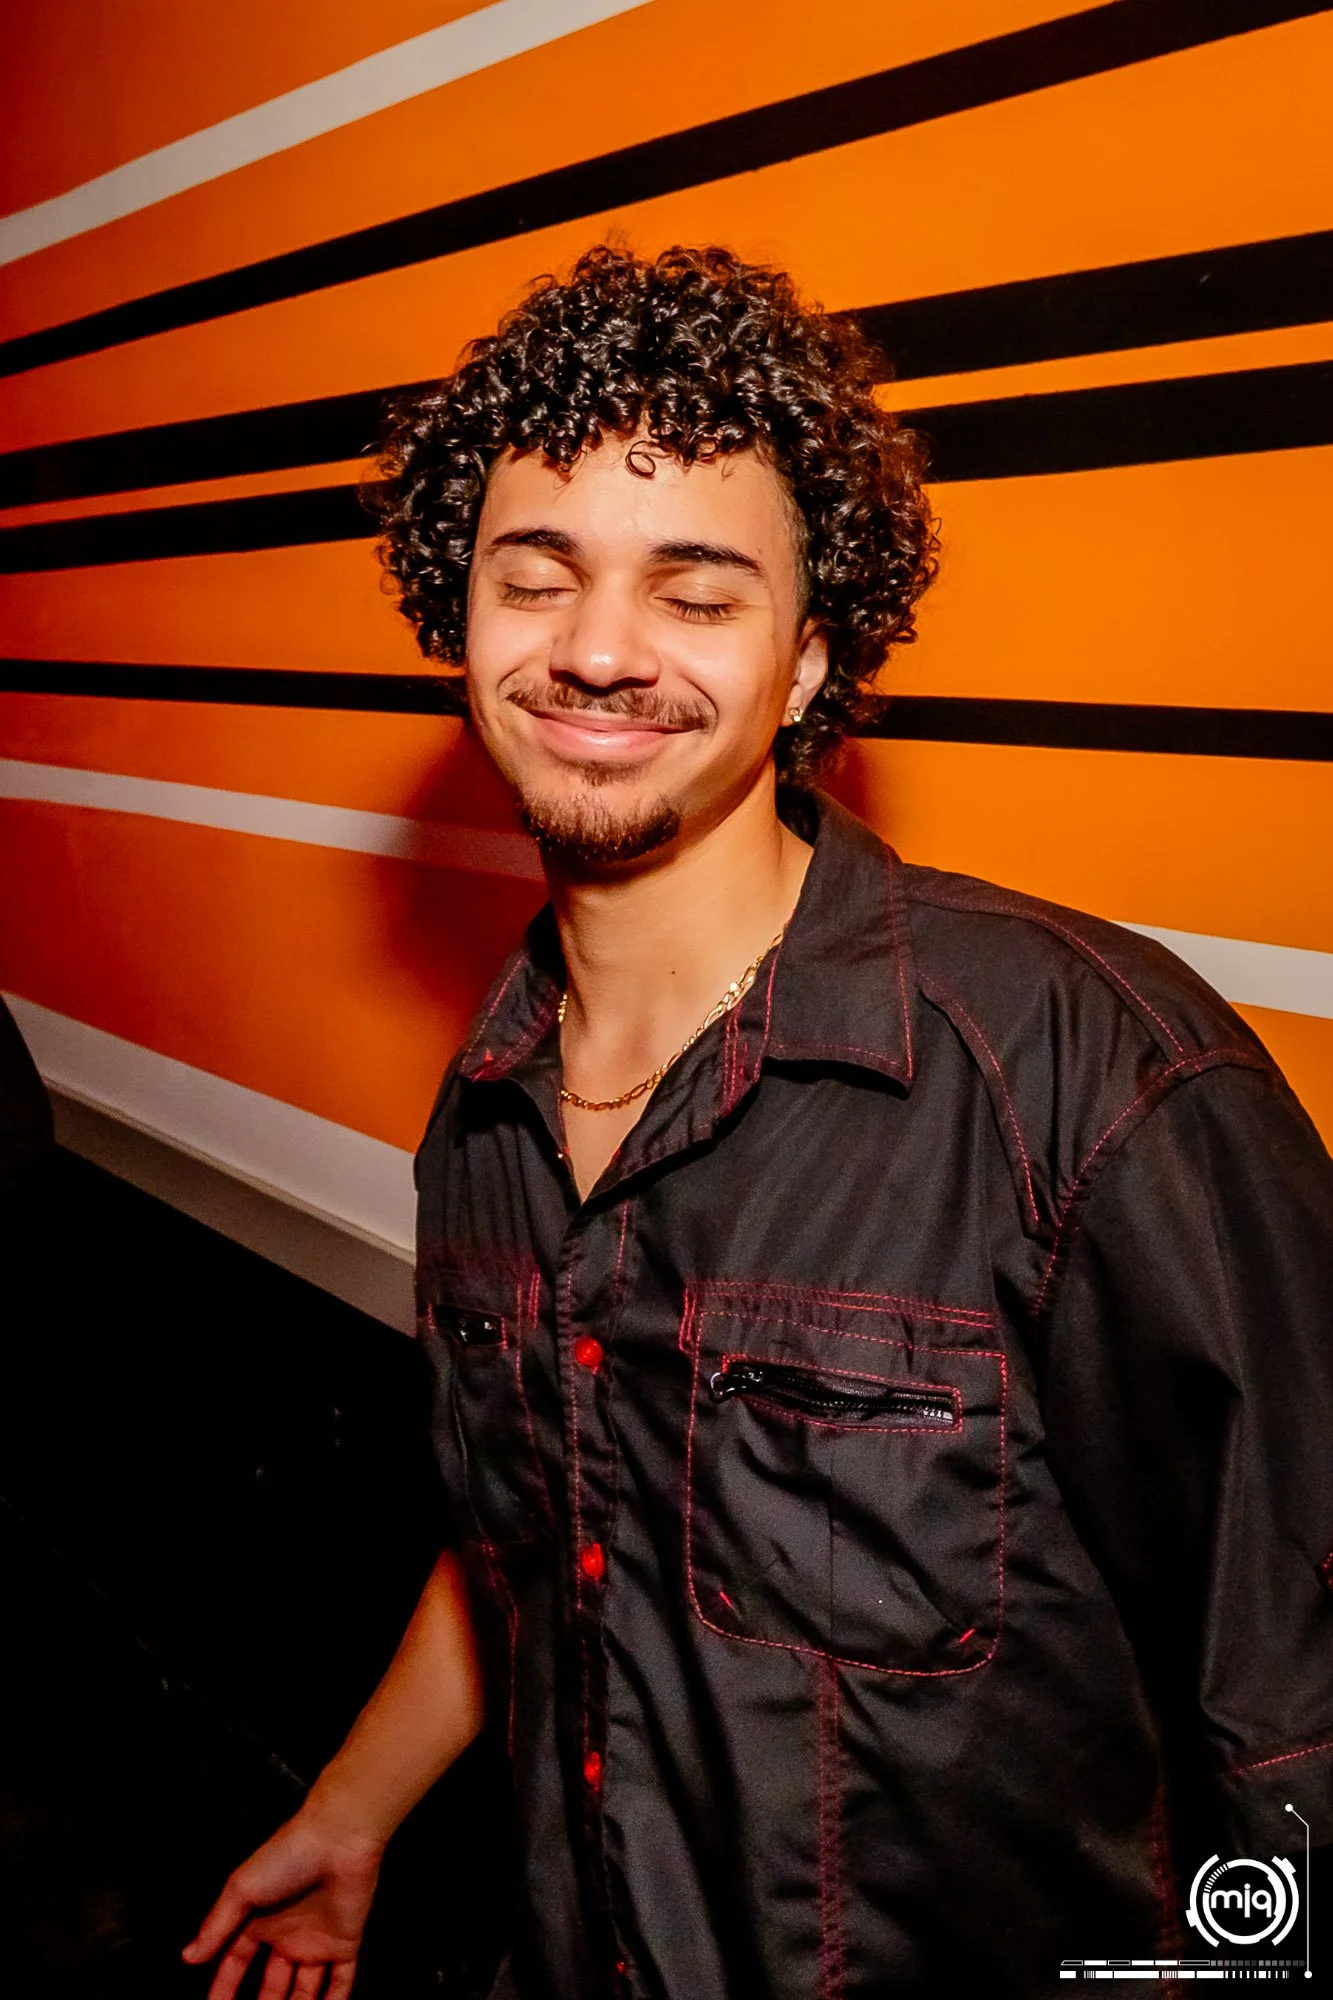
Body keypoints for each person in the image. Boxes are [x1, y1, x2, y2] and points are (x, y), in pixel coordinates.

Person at [183, 245, 1333, 2000]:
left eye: (696, 594)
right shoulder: (491, 1100)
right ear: (457, 617)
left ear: (806, 662)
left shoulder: (1082, 1072)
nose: (596, 649)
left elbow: (1300, 1721)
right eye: (536, 577)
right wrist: (354, 1813)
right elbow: (540, 1526)